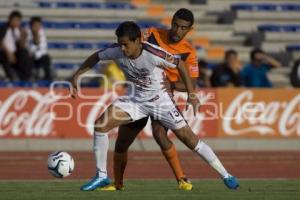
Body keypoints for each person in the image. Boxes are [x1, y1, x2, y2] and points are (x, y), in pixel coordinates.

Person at [70, 21, 239, 191]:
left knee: (189, 139)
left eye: (126, 45)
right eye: (120, 44)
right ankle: (102, 176)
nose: (122, 49)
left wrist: (192, 95)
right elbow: (95, 57)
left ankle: (226, 175)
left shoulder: (153, 53)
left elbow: (180, 65)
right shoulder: (115, 50)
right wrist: (77, 75)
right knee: (100, 125)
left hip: (160, 101)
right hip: (135, 100)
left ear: (138, 41)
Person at [112, 8, 199, 191]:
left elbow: (192, 83)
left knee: (159, 135)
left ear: (190, 29)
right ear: (171, 21)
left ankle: (182, 178)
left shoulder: (189, 52)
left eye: (183, 27)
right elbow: (132, 43)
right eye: (175, 25)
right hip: (137, 97)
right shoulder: (152, 33)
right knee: (122, 142)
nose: (177, 30)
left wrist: (173, 86)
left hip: (162, 98)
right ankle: (117, 184)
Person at [0, 10, 32, 81]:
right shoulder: (4, 28)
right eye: (15, 20)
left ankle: (25, 77)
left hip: (15, 53)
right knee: (3, 56)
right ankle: (11, 77)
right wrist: (9, 53)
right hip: (5, 52)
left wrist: (24, 37)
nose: (17, 22)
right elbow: (0, 42)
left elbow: (21, 46)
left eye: (18, 21)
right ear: (10, 20)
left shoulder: (18, 30)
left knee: (25, 53)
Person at [27, 16, 52, 81]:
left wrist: (36, 33)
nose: (37, 27)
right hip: (30, 56)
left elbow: (38, 43)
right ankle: (27, 78)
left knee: (46, 58)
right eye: (35, 25)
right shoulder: (27, 32)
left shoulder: (42, 33)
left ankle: (48, 79)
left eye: (38, 25)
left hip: (40, 56)